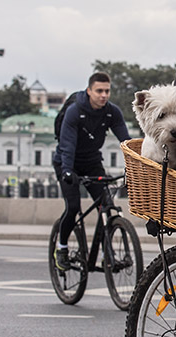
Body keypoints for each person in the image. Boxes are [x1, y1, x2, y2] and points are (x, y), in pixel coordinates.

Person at [52, 71, 131, 268]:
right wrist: (68, 171)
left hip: (92, 162)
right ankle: (61, 248)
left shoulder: (112, 112)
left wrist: (136, 166)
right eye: (99, 91)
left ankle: (107, 254)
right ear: (89, 91)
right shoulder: (75, 111)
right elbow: (67, 145)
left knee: (106, 204)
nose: (103, 95)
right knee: (73, 207)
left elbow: (127, 142)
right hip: (66, 162)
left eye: (107, 91)